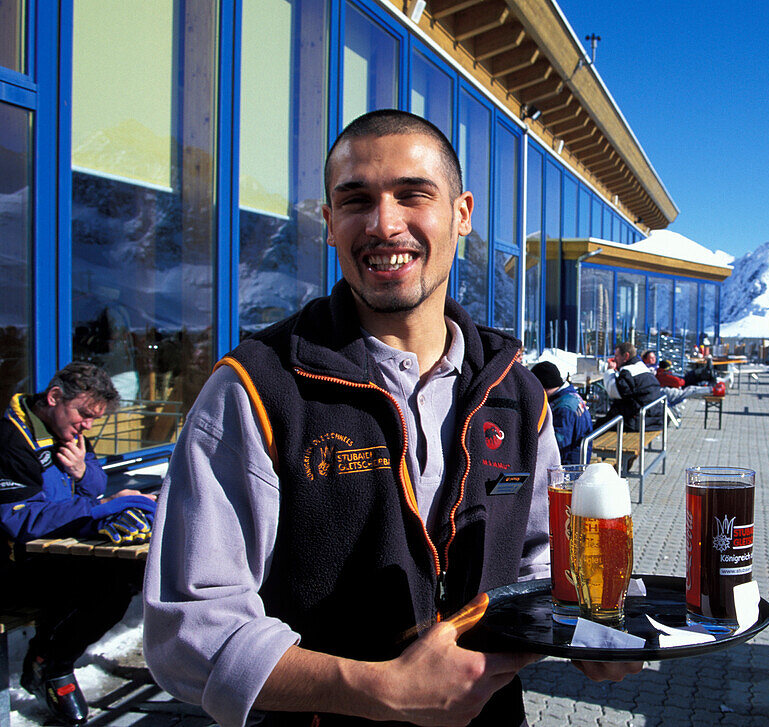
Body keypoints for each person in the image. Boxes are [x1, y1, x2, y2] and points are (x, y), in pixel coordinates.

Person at [143, 110, 638, 727]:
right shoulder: (255, 390)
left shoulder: (516, 394)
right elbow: (187, 630)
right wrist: (376, 689)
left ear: (462, 214)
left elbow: (540, 565)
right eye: (356, 200)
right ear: (328, 224)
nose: (384, 224)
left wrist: (594, 627)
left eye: (412, 195)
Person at [1, 362, 156, 726]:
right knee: (105, 587)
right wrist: (98, 508)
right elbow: (18, 519)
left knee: (127, 576)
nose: (88, 425)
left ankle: (50, 662)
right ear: (54, 398)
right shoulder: (12, 440)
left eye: (93, 418)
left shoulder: (68, 431)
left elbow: (96, 482)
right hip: (11, 565)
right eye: (84, 414)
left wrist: (84, 473)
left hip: (52, 555)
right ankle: (50, 665)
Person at [530, 361, 592, 466]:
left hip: (569, 466)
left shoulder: (563, 408)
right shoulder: (570, 395)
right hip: (579, 458)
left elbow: (557, 445)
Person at [598, 341, 664, 432]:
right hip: (654, 419)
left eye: (617, 356)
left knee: (597, 427)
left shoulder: (628, 372)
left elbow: (614, 392)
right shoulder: (642, 367)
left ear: (626, 356)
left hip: (638, 422)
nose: (615, 359)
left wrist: (610, 371)